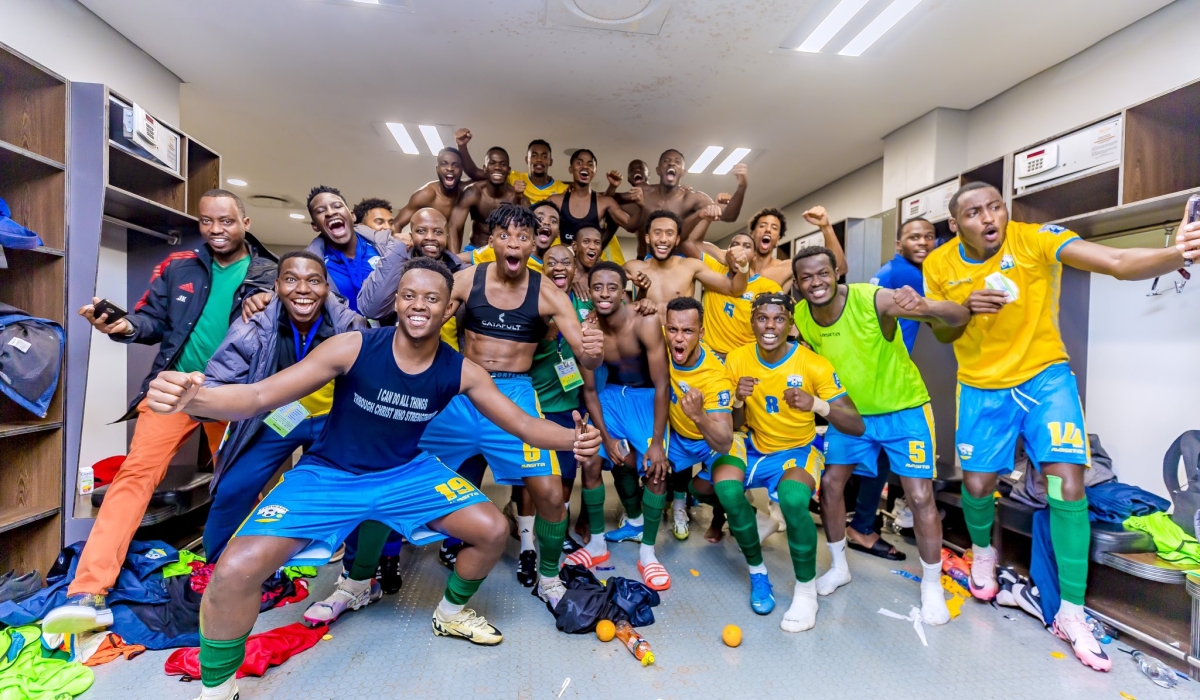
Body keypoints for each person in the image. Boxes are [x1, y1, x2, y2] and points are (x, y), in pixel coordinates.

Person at [144, 257, 600, 700]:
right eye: (409, 296)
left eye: (432, 298)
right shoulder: (353, 347)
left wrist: (571, 439)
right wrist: (195, 398)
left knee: (492, 529)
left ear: (448, 310)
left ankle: (451, 613)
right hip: (331, 475)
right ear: (396, 303)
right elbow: (260, 395)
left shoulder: (462, 370)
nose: (420, 305)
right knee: (235, 570)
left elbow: (521, 425)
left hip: (406, 474)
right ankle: (219, 689)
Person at [923, 182, 1191, 671]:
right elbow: (942, 331)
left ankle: (1071, 612)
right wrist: (966, 310)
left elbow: (1114, 262)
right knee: (979, 485)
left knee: (1068, 488)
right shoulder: (939, 264)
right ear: (956, 223)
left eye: (995, 207)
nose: (989, 218)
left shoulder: (1037, 238)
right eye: (974, 212)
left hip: (1046, 377)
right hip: (981, 386)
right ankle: (982, 552)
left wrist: (1175, 251)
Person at [44, 190, 278, 634]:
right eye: (207, 221)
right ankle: (88, 589)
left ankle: (253, 569)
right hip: (173, 390)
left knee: (242, 483)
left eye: (226, 221)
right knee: (134, 477)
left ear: (245, 222)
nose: (216, 229)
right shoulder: (178, 267)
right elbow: (151, 322)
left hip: (233, 394)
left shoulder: (268, 273)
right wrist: (124, 325)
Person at [416, 203, 604, 609]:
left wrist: (593, 350)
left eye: (524, 236)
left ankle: (550, 580)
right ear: (492, 241)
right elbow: (425, 321)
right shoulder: (466, 280)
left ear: (534, 242)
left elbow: (585, 359)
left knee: (551, 494)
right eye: (506, 236)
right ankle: (366, 572)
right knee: (398, 468)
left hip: (515, 394)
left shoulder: (549, 294)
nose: (514, 244)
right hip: (464, 389)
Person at [792, 245, 969, 625]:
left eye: (822, 273)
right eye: (806, 277)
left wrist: (926, 303)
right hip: (853, 414)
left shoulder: (872, 298)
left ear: (836, 271)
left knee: (920, 496)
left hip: (904, 410)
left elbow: (955, 315)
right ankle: (839, 566)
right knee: (832, 484)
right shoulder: (802, 316)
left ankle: (932, 584)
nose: (815, 282)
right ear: (797, 284)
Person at [200, 251, 366, 564]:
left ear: (327, 287)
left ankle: (355, 576)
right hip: (281, 418)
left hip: (336, 421)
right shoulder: (253, 323)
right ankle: (216, 569)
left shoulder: (351, 324)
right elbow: (217, 381)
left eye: (313, 280)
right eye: (291, 279)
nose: (302, 289)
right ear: (276, 286)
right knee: (234, 487)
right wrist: (197, 399)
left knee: (358, 491)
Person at [720, 292, 864, 631]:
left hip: (797, 449)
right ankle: (757, 572)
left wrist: (816, 404)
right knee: (721, 487)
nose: (770, 326)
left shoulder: (813, 363)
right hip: (754, 444)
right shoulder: (737, 359)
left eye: (779, 318)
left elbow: (855, 424)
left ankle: (805, 591)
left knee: (793, 499)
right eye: (762, 318)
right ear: (752, 322)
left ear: (791, 324)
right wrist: (739, 399)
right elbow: (736, 424)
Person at [574, 262, 673, 590]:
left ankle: (648, 553)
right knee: (589, 460)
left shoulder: (644, 321)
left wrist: (657, 441)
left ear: (623, 291)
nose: (604, 294)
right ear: (590, 292)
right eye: (597, 287)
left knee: (657, 468)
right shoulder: (587, 329)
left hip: (646, 397)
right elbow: (589, 390)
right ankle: (597, 545)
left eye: (612, 287)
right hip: (610, 397)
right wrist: (606, 436)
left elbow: (663, 385)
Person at [847, 216, 939, 561]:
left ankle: (861, 521)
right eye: (914, 237)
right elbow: (948, 303)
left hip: (875, 373)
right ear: (899, 245)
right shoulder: (908, 275)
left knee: (875, 455)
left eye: (930, 236)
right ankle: (862, 525)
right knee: (879, 454)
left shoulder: (890, 269)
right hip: (884, 380)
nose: (924, 243)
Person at [510, 243, 595, 584]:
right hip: (534, 407)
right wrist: (552, 325)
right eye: (551, 262)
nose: (559, 267)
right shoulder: (531, 301)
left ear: (576, 271)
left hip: (570, 407)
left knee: (563, 485)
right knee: (533, 484)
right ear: (541, 267)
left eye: (566, 263)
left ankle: (554, 541)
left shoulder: (583, 303)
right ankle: (527, 548)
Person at [658, 297, 735, 542]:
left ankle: (719, 518)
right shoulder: (660, 340)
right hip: (677, 434)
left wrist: (698, 415)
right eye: (673, 329)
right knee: (660, 469)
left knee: (722, 487)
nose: (678, 338)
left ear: (701, 333)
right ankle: (677, 506)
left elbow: (723, 441)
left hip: (707, 440)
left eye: (688, 331)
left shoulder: (715, 377)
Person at [624, 210, 749, 318]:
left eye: (669, 233)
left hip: (680, 341)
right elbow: (608, 292)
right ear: (647, 238)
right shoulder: (632, 267)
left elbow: (734, 290)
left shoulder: (691, 266)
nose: (663, 239)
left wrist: (743, 266)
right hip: (646, 341)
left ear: (677, 239)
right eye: (657, 232)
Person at [679, 231, 782, 359]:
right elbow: (686, 242)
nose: (740, 249)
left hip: (744, 359)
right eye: (735, 245)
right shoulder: (713, 269)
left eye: (746, 246)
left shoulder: (768, 287)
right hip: (709, 357)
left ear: (754, 255)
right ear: (728, 251)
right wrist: (705, 215)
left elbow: (784, 320)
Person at [304, 185, 389, 313]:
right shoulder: (310, 264)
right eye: (321, 211)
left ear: (352, 216)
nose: (331, 212)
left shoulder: (384, 247)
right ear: (315, 226)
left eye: (337, 206)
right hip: (345, 332)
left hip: (389, 332)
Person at [548, 149, 641, 246]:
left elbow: (630, 226)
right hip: (564, 259)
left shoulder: (605, 202)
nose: (584, 166)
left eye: (590, 164)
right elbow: (537, 224)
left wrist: (641, 207)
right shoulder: (555, 200)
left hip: (592, 259)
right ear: (571, 169)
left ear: (595, 171)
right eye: (579, 163)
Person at [449, 146, 529, 252]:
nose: (497, 167)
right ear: (485, 169)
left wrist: (519, 199)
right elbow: (453, 227)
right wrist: (455, 262)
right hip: (475, 250)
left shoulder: (517, 196)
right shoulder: (474, 192)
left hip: (504, 253)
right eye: (492, 163)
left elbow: (528, 231)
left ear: (509, 170)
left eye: (503, 164)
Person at [457, 132, 568, 204]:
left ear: (550, 162)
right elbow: (474, 172)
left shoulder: (562, 189)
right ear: (526, 160)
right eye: (534, 156)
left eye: (544, 156)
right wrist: (462, 146)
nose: (539, 160)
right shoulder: (514, 177)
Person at [463, 199, 561, 273]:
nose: (546, 222)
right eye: (540, 218)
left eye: (553, 221)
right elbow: (456, 259)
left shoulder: (556, 263)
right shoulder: (500, 249)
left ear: (558, 233)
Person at [390, 147, 467, 235]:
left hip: (450, 248)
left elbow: (481, 176)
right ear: (437, 169)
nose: (450, 168)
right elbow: (397, 223)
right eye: (444, 164)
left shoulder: (467, 191)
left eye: (455, 165)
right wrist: (395, 247)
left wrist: (463, 145)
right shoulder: (426, 194)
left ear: (462, 170)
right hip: (424, 246)